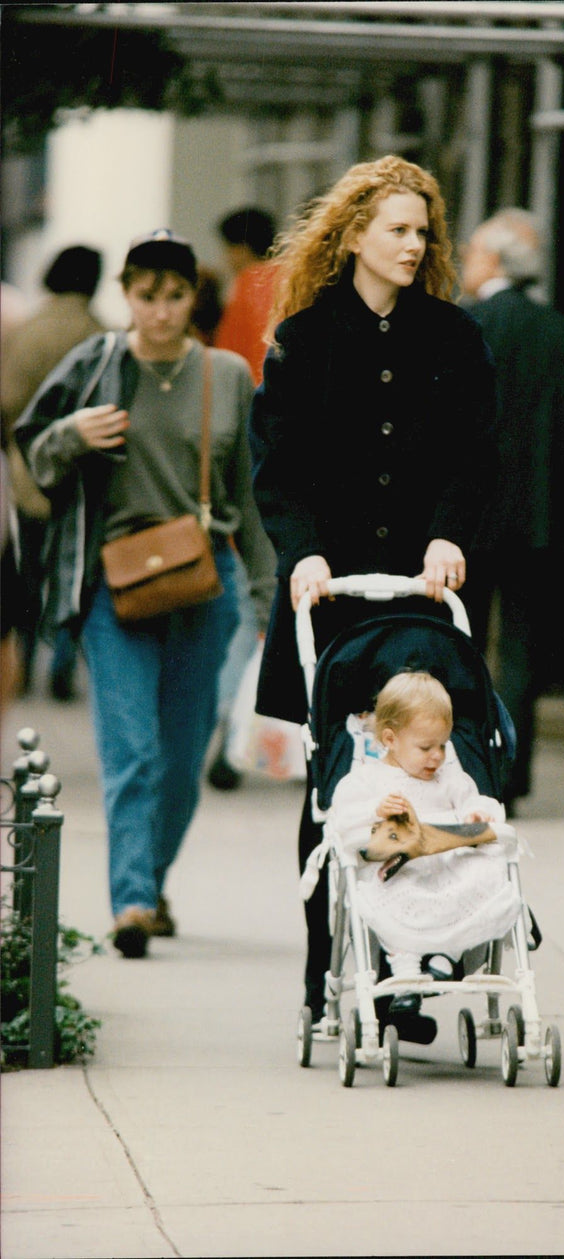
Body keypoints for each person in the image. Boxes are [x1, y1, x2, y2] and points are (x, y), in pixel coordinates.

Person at [248, 154, 497, 1024]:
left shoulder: (454, 338)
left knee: (432, 771)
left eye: (422, 230)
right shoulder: (304, 341)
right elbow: (276, 472)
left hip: (424, 591)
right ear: (354, 235)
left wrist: (448, 534)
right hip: (334, 591)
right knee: (334, 786)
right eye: (396, 228)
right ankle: (327, 974)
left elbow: (476, 457)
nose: (413, 243)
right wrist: (304, 553)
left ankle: (420, 956)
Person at [15, 229, 276, 960]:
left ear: (193, 297)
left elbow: (250, 497)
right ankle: (130, 900)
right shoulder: (96, 364)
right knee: (132, 750)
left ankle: (150, 881)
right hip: (114, 585)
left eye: (174, 296)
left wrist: (263, 598)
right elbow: (35, 454)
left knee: (184, 758)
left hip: (205, 584)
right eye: (146, 296)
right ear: (125, 295)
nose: (160, 312)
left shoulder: (225, 375)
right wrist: (71, 433)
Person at [459, 209, 564, 813]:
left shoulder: (459, 327)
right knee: (519, 650)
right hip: (538, 519)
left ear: (492, 259)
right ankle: (508, 778)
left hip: (460, 521)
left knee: (457, 640)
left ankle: (462, 768)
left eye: (470, 252)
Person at [329, 671, 516, 1014]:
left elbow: (476, 800)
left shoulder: (450, 779)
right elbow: (341, 820)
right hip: (401, 870)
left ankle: (448, 956)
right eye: (426, 747)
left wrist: (476, 814)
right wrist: (376, 811)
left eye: (443, 745)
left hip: (446, 866)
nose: (437, 757)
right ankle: (407, 972)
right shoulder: (368, 780)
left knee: (488, 869)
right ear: (390, 739)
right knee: (391, 891)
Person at [1, 245, 106, 699]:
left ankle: (22, 663)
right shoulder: (100, 334)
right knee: (74, 572)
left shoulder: (29, 330)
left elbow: (7, 399)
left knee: (27, 569)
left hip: (27, 472)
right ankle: (62, 668)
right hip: (83, 473)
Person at [206, 208, 279, 789]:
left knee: (244, 605)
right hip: (296, 462)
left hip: (252, 460)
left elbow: (231, 379)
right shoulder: (299, 283)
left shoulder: (249, 288)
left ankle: (229, 727)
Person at [214, 207, 277, 386]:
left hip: (254, 392)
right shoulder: (293, 279)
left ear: (240, 250)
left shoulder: (247, 283)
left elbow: (228, 352)